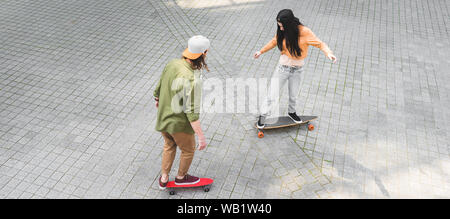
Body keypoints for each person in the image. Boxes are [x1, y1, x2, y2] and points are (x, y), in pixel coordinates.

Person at [254, 9, 337, 128]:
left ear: (289, 24)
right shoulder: (282, 32)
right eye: (279, 26)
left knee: (293, 95)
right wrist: (260, 51)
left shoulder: (305, 32)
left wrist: (328, 53)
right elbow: (274, 41)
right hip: (283, 68)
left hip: (297, 70)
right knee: (272, 94)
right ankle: (262, 116)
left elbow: (320, 44)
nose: (281, 29)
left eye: (282, 26)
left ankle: (292, 112)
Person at [153, 35, 210, 189]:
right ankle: (181, 177)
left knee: (169, 145)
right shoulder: (191, 79)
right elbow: (191, 113)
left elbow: (160, 83)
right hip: (178, 124)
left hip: (163, 118)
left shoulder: (172, 64)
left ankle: (164, 178)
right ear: (203, 54)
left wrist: (157, 97)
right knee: (188, 150)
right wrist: (201, 136)